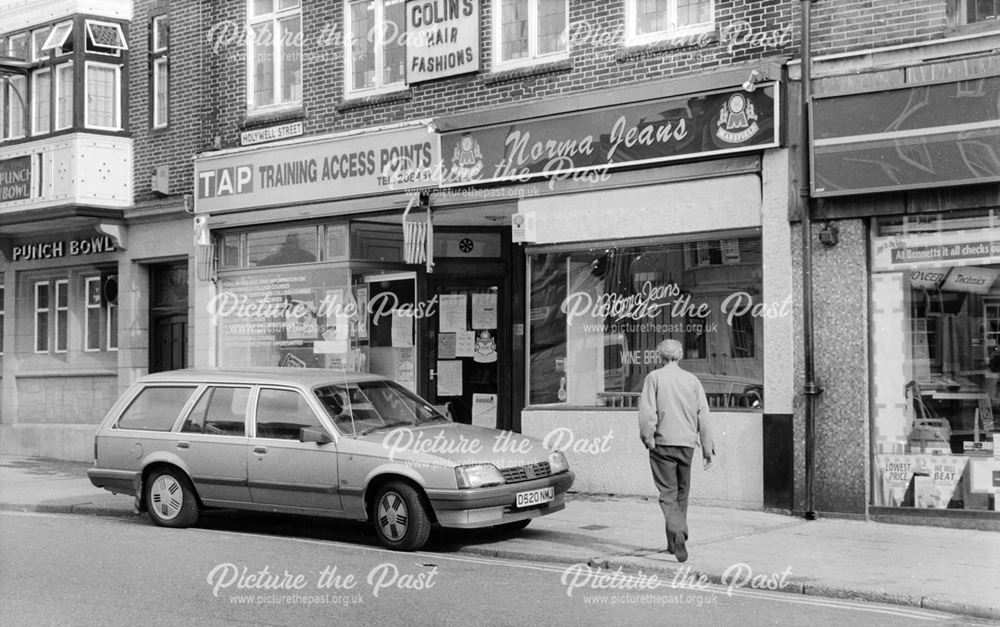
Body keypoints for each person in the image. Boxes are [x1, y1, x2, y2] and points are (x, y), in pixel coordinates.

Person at [637, 339, 715, 563]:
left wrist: (648, 438)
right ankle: (673, 544)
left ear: (660, 357)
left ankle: (678, 532)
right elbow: (703, 414)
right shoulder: (692, 380)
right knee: (682, 493)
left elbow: (647, 413)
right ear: (679, 356)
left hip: (662, 444)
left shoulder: (654, 378)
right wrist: (707, 449)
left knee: (667, 494)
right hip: (687, 445)